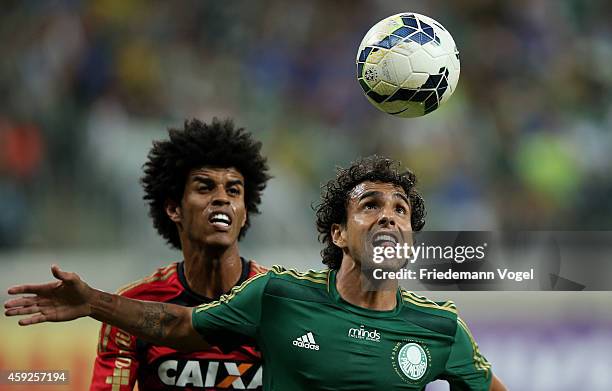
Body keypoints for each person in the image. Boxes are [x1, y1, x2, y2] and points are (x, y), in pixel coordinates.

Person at [5, 156, 506, 390]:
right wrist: (93, 301)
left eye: (401, 210)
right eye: (369, 205)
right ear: (338, 234)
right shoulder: (278, 295)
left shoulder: (441, 328)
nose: (389, 216)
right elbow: (178, 325)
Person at [93, 118, 270, 390]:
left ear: (244, 213)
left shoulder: (280, 302)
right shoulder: (130, 310)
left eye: (233, 190)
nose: (222, 198)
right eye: (205, 187)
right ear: (174, 209)